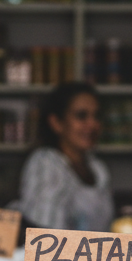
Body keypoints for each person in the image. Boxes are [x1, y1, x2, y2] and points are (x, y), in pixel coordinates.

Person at [14, 81, 114, 231]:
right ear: (56, 123)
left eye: (96, 116)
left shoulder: (98, 169)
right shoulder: (46, 163)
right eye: (81, 116)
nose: (92, 124)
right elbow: (45, 237)